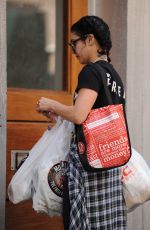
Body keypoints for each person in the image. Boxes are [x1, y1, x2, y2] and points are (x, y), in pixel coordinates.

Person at [36, 16, 127, 230]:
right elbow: (92, 116)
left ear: (89, 40)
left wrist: (51, 103)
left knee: (82, 221)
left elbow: (79, 115)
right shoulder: (114, 76)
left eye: (73, 43)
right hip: (110, 164)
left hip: (89, 166)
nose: (72, 49)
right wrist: (60, 116)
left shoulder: (91, 71)